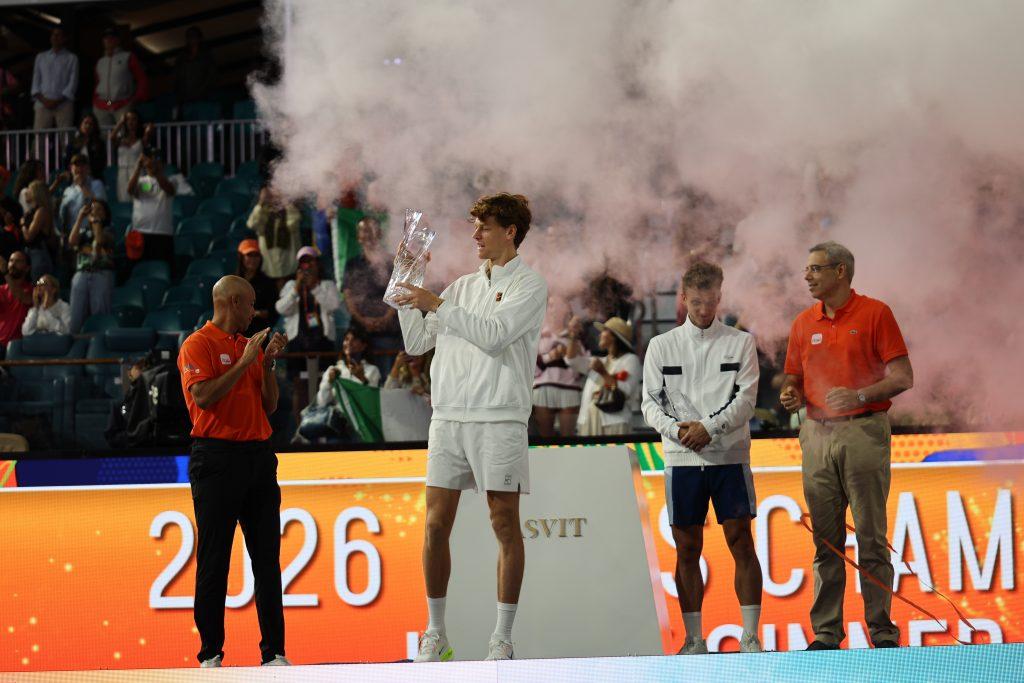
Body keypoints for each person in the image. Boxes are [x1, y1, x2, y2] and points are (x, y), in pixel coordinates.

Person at [393, 193, 548, 662]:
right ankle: (435, 633)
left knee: (504, 523)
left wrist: (435, 302)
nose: (476, 235)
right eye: (475, 226)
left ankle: (502, 638)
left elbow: (494, 337)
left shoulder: (529, 285)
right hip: (447, 418)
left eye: (485, 227)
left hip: (498, 417)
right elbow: (416, 342)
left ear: (510, 232)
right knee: (434, 524)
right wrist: (407, 287)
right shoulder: (460, 288)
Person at [779, 241, 913, 651]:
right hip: (816, 433)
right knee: (826, 541)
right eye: (806, 269)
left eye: (815, 269)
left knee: (871, 537)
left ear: (840, 271)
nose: (807, 276)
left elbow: (903, 376)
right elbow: (792, 378)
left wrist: (859, 396)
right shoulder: (803, 323)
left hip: (862, 430)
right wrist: (790, 394)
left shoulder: (876, 313)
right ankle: (826, 632)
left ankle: (882, 630)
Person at [641, 261, 763, 655]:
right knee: (687, 548)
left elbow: (746, 400)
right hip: (681, 458)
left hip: (729, 456)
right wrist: (679, 431)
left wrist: (709, 428)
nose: (704, 309)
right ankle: (694, 639)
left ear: (719, 297)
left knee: (741, 542)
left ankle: (750, 636)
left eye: (710, 301)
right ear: (683, 298)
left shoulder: (740, 343)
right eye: (696, 302)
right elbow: (649, 404)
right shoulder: (661, 346)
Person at [177, 275, 290, 668]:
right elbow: (204, 397)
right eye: (251, 304)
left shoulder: (250, 346)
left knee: (267, 561)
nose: (254, 312)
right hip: (216, 459)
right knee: (214, 560)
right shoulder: (198, 344)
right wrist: (244, 362)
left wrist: (267, 362)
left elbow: (270, 405)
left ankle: (274, 653)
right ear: (233, 302)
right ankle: (210, 654)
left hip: (258, 456)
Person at [275, 246, 340, 417]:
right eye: (304, 262)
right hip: (298, 342)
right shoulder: (291, 285)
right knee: (300, 387)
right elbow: (281, 308)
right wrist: (296, 289)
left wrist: (314, 288)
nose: (308, 266)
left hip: (323, 341)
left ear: (317, 264)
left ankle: (322, 423)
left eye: (311, 262)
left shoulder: (326, 284)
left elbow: (334, 305)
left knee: (324, 384)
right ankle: (300, 428)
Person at [567, 316, 642, 436]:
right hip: (589, 420)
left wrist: (603, 372)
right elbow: (572, 360)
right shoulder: (600, 361)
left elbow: (624, 391)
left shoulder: (630, 360)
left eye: (605, 331)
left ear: (614, 337)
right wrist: (573, 335)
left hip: (614, 422)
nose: (600, 334)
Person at [342, 216, 399, 335]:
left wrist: (386, 319)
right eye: (364, 230)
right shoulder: (352, 265)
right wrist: (362, 320)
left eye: (372, 229)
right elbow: (348, 296)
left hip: (390, 328)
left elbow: (399, 293)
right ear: (358, 237)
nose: (368, 234)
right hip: (360, 330)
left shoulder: (392, 262)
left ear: (380, 233)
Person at [532, 313, 583, 437]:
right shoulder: (539, 336)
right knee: (545, 438)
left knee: (568, 438)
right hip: (543, 389)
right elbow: (531, 369)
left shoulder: (577, 341)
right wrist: (551, 356)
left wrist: (569, 351)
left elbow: (580, 370)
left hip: (569, 389)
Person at [67, 198, 115, 333]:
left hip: (101, 273)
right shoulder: (83, 231)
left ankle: (100, 343)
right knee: (75, 317)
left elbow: (99, 241)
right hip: (82, 273)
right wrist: (80, 217)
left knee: (100, 315)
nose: (95, 211)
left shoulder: (109, 230)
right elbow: (71, 241)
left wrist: (96, 223)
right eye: (92, 209)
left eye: (99, 209)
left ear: (106, 214)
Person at [128, 149, 175, 271]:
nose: (152, 162)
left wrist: (156, 171)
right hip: (140, 233)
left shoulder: (172, 180)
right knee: (138, 271)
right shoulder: (140, 181)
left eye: (156, 160)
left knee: (162, 270)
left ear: (163, 164)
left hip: (162, 234)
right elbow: (130, 190)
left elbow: (169, 189)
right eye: (150, 159)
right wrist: (138, 167)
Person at [92, 27, 149, 128]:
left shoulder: (128, 57)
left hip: (123, 103)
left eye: (112, 37)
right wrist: (95, 99)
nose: (108, 40)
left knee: (123, 132)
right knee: (103, 134)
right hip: (104, 103)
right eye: (106, 38)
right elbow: (97, 82)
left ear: (118, 40)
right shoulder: (100, 62)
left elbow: (141, 78)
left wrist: (136, 98)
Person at [314, 326, 381, 407]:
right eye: (346, 339)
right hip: (337, 414)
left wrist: (362, 379)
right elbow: (321, 402)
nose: (349, 343)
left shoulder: (372, 370)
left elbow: (372, 400)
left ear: (363, 346)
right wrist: (329, 382)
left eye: (354, 340)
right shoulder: (333, 370)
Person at [247, 186, 301, 287]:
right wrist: (261, 203)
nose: (275, 197)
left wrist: (286, 200)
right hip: (269, 268)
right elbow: (252, 224)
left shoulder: (289, 211)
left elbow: (293, 222)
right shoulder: (263, 213)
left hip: (289, 267)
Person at [31, 27, 78, 130]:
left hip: (64, 103)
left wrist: (57, 101)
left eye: (58, 35)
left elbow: (73, 83)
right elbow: (36, 82)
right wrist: (44, 100)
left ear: (64, 38)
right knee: (40, 136)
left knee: (65, 136)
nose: (55, 37)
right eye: (53, 35)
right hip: (43, 103)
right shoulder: (41, 57)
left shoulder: (71, 58)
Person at [235, 239, 279, 337]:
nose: (253, 259)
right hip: (236, 331)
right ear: (241, 257)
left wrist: (256, 313)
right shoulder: (232, 281)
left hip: (259, 332)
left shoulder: (268, 282)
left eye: (256, 255)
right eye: (249, 255)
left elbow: (273, 311)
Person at [110, 110, 154, 202]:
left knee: (139, 198)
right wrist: (121, 122)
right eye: (128, 119)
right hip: (122, 172)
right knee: (124, 198)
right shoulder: (121, 140)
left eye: (134, 119)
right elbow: (112, 137)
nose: (131, 122)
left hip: (137, 171)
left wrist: (148, 129)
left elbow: (150, 129)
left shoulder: (141, 139)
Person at [58, 154, 107, 235]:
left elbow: (100, 208)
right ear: (71, 168)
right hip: (72, 234)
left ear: (88, 168)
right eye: (76, 165)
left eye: (82, 165)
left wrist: (82, 186)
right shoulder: (68, 190)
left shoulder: (97, 184)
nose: (80, 169)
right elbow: (62, 217)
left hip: (91, 232)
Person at [21, 180, 57, 282]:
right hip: (32, 253)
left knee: (38, 287)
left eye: (29, 190)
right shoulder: (33, 211)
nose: (26, 193)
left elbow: (29, 236)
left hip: (39, 254)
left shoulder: (41, 211)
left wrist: (23, 224)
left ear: (36, 193)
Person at [173, 26, 217, 108]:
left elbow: (211, 77)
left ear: (199, 38)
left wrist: (201, 92)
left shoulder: (207, 56)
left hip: (203, 97)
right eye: (189, 36)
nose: (191, 39)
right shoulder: (181, 57)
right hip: (184, 98)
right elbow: (177, 76)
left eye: (193, 36)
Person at [0, 251, 34, 357]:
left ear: (27, 268)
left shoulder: (33, 289)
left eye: (18, 261)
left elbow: (22, 296)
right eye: (11, 261)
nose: (12, 264)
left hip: (18, 346)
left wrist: (5, 273)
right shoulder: (1, 290)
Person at [63, 113, 105, 179]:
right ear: (80, 125)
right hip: (76, 177)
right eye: (85, 123)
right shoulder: (72, 143)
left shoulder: (99, 143)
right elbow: (67, 162)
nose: (87, 126)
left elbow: (101, 163)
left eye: (90, 124)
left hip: (94, 177)